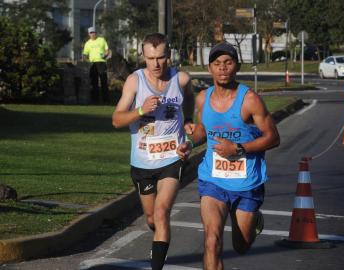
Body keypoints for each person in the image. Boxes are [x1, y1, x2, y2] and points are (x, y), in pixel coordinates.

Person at [177, 42, 280, 270]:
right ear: (210, 68)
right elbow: (203, 129)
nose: (222, 68)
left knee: (241, 245)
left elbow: (273, 137)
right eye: (217, 64)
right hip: (213, 181)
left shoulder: (250, 99)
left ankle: (254, 220)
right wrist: (190, 142)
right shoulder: (203, 98)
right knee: (212, 241)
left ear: (236, 67)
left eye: (228, 63)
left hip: (247, 184)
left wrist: (238, 149)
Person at [112, 33, 194, 270]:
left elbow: (189, 97)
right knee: (151, 219)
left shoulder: (181, 79)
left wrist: (188, 119)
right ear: (143, 57)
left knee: (161, 212)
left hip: (172, 158)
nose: (156, 64)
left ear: (169, 56)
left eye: (161, 58)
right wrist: (140, 110)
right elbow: (117, 120)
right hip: (142, 162)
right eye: (150, 58)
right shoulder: (135, 81)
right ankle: (158, 237)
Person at [83, 26, 110, 103]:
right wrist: (87, 61)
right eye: (91, 33)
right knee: (94, 82)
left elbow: (107, 50)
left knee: (104, 82)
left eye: (93, 32)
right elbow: (85, 54)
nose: (92, 34)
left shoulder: (101, 40)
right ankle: (95, 100)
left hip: (101, 63)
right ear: (89, 34)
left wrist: (105, 55)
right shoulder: (87, 43)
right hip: (92, 64)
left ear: (96, 32)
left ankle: (106, 100)